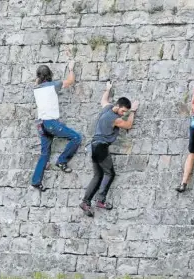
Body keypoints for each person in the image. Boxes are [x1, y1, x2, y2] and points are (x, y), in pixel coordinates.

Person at [80, 81, 138, 217]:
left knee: (98, 175)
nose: (123, 113)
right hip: (101, 147)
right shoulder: (115, 119)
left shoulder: (107, 108)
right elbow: (128, 125)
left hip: (93, 146)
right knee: (109, 173)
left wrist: (107, 89)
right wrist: (133, 111)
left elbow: (103, 100)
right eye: (123, 111)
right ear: (118, 106)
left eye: (126, 112)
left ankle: (85, 202)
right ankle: (100, 200)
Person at [30, 61, 82, 192]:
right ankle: (62, 161)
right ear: (50, 75)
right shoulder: (53, 85)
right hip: (51, 123)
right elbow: (70, 81)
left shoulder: (36, 88)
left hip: (41, 124)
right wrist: (71, 68)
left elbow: (37, 81)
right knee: (76, 138)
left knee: (44, 154)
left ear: (38, 76)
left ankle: (36, 181)